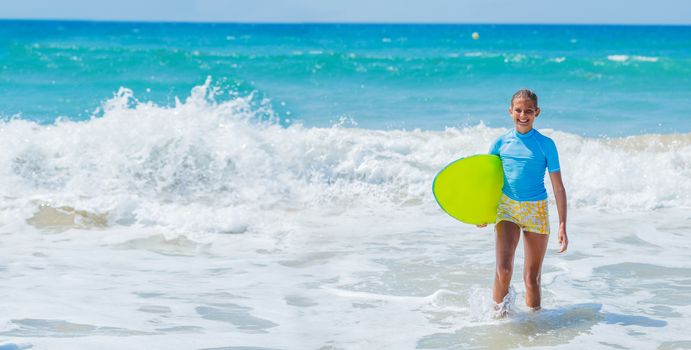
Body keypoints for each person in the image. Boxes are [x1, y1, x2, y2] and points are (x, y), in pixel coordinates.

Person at [480, 89, 568, 316]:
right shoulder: (500, 143)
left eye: (528, 111)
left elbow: (558, 187)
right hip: (507, 207)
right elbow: (487, 181)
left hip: (536, 210)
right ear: (510, 112)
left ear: (537, 112)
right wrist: (481, 212)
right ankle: (498, 320)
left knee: (531, 278)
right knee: (504, 269)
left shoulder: (546, 144)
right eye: (518, 110)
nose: (523, 115)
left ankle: (534, 326)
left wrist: (562, 224)